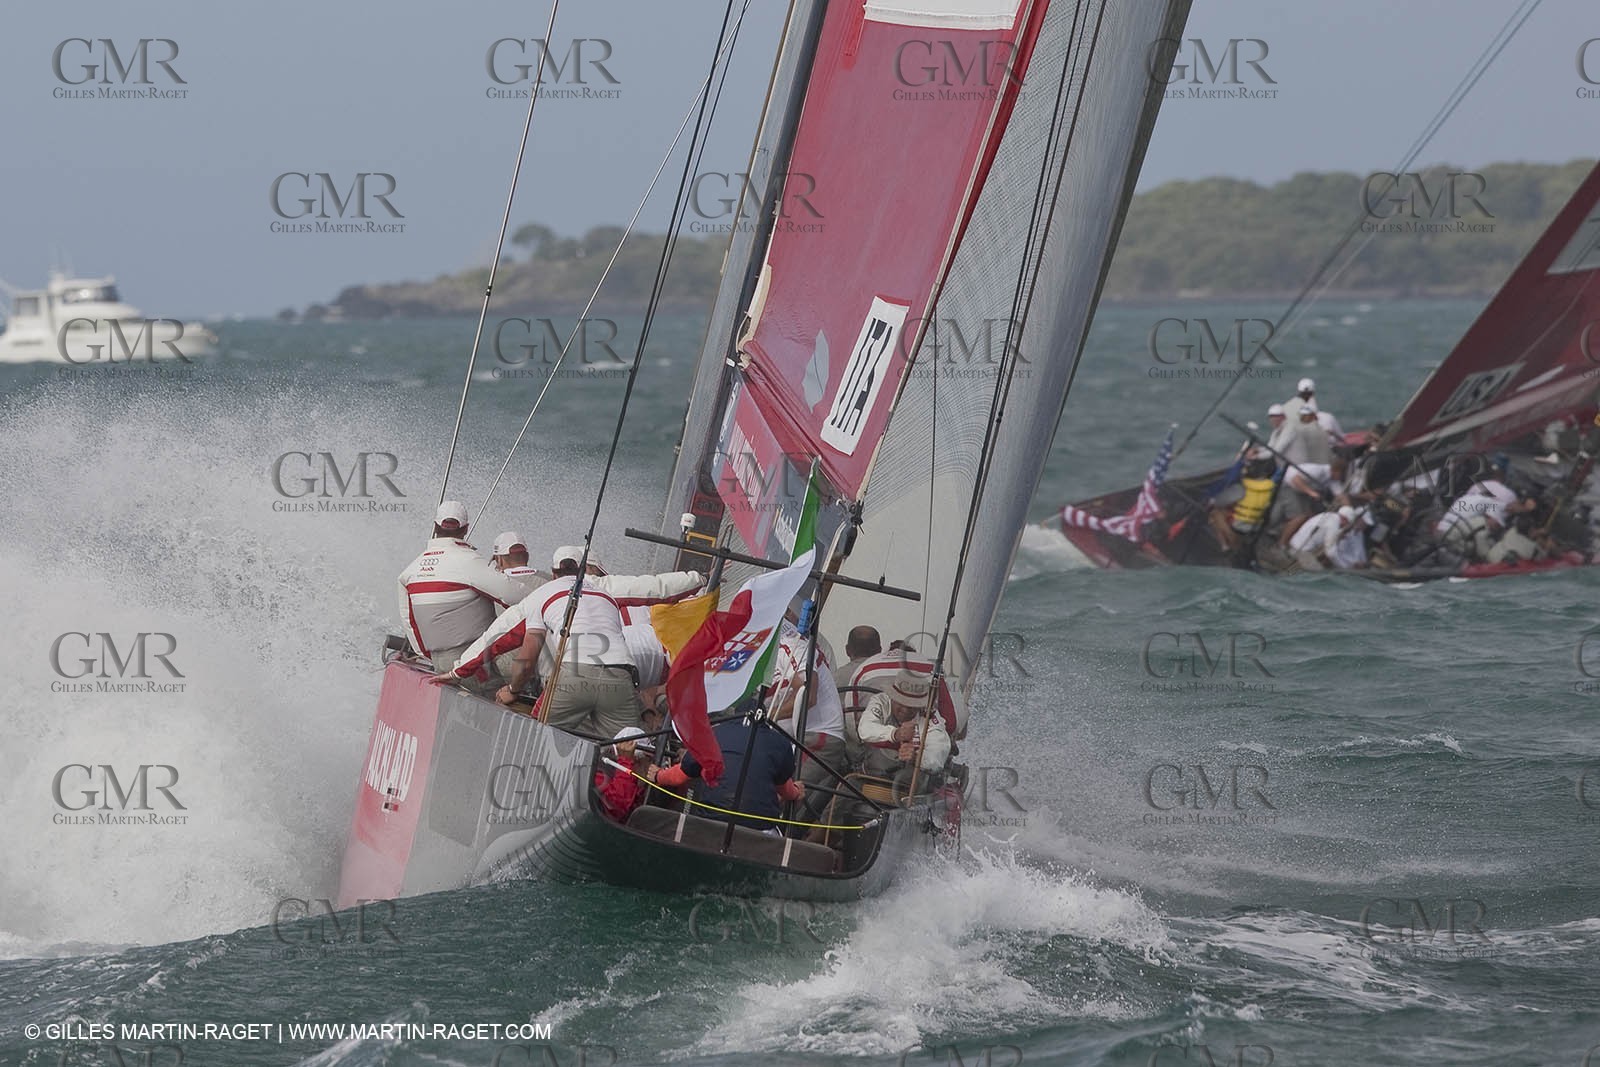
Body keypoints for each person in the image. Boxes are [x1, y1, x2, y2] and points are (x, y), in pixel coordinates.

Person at [436, 548, 644, 739]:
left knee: (540, 741)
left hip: (574, 675)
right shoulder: (605, 591)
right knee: (626, 750)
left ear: (553, 573)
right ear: (585, 571)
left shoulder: (544, 593)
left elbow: (522, 657)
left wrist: (462, 673)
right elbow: (660, 586)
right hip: (620, 675)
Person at [397, 501, 528, 670]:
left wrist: (429, 658)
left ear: (436, 527)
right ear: (465, 528)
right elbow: (517, 597)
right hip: (472, 662)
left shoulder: (409, 571)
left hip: (438, 662)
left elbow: (410, 624)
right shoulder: (469, 561)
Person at [651, 716, 805, 833]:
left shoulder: (713, 734)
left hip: (710, 822)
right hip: (759, 830)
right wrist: (796, 792)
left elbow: (679, 776)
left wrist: (658, 775)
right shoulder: (779, 743)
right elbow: (785, 788)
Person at [770, 620, 850, 824]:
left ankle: (766, 838)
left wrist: (768, 716)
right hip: (789, 738)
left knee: (777, 795)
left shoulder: (794, 644)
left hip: (817, 738)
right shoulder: (758, 643)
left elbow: (808, 696)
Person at [854, 669, 951, 797]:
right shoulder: (880, 701)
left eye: (911, 705)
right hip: (870, 773)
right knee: (844, 789)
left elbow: (937, 757)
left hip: (910, 785)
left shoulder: (930, 717)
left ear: (920, 705)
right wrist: (895, 734)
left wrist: (916, 758)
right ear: (892, 697)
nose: (905, 710)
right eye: (901, 702)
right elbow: (865, 729)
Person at [594, 727, 652, 822]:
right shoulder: (600, 773)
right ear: (636, 760)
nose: (650, 764)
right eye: (648, 759)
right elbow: (616, 809)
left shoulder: (639, 780)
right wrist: (626, 762)